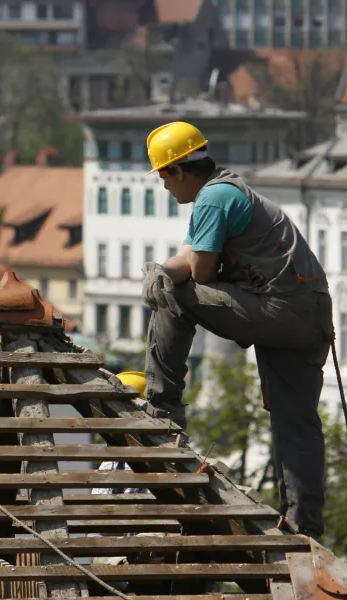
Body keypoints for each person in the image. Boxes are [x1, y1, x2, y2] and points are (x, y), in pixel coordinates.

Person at [141, 121, 334, 538]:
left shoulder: (212, 198)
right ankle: (305, 528)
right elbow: (190, 254)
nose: (164, 187)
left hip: (278, 308)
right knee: (296, 423)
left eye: (162, 176)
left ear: (177, 170)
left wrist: (165, 281)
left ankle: (161, 410)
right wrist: (160, 269)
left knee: (174, 298)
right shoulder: (226, 191)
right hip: (309, 314)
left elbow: (201, 273)